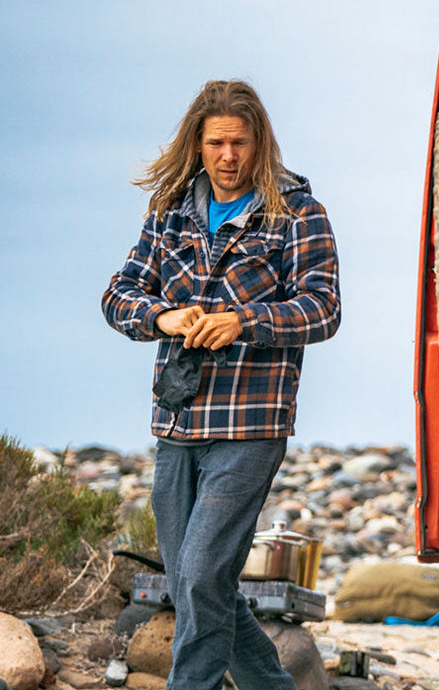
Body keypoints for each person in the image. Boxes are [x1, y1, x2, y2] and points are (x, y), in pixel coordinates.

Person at [102, 80, 341, 690]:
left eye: (239, 142)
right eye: (216, 143)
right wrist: (163, 316)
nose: (228, 156)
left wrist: (246, 322)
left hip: (251, 423)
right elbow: (118, 294)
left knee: (204, 572)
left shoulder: (299, 213)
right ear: (198, 144)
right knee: (191, 580)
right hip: (178, 423)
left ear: (260, 143)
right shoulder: (169, 212)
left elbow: (324, 309)